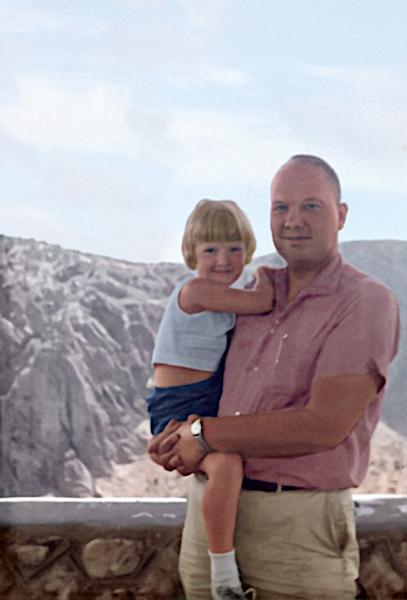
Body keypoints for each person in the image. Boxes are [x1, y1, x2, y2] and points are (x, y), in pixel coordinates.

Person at [149, 155, 400, 600]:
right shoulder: (251, 292)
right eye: (280, 208)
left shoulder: (365, 302)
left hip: (295, 536)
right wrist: (173, 438)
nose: (293, 221)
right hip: (208, 521)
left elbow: (323, 425)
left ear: (341, 215)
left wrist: (202, 433)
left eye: (311, 207)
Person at [146, 199, 274, 600]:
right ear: (192, 254)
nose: (224, 260)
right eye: (211, 250)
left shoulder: (221, 295)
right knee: (226, 464)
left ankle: (225, 574)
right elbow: (262, 303)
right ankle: (222, 575)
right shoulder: (197, 290)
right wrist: (270, 277)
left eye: (235, 249)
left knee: (228, 463)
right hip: (179, 405)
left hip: (206, 403)